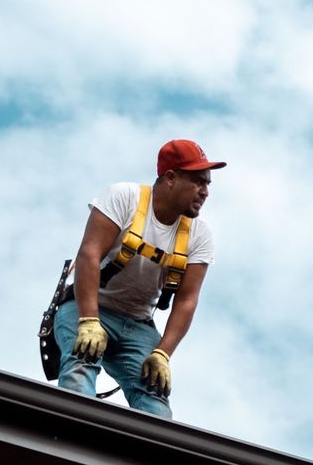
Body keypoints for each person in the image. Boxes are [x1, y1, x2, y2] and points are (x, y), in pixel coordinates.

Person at [50, 139, 223, 417]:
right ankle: (73, 434)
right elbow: (89, 255)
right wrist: (89, 320)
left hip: (138, 325)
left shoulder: (199, 234)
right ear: (170, 178)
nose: (205, 192)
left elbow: (187, 299)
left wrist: (162, 354)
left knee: (153, 392)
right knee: (82, 362)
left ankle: (154, 455)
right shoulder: (124, 198)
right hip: (89, 308)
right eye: (198, 182)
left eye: (208, 185)